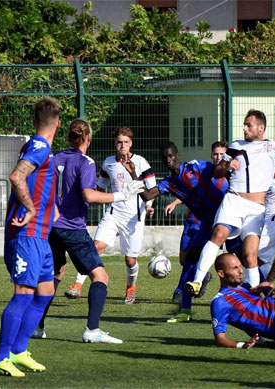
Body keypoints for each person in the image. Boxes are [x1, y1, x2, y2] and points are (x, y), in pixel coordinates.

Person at [186, 109, 275, 294]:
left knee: (251, 256)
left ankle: (254, 296)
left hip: (256, 209)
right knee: (219, 234)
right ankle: (197, 281)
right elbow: (217, 172)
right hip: (234, 200)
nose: (244, 128)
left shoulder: (274, 146)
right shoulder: (236, 146)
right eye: (244, 124)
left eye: (249, 125)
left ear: (261, 128)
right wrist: (227, 166)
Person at [44, 118, 144, 344]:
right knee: (101, 276)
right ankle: (92, 329)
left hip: (52, 227)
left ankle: (38, 325)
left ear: (69, 137)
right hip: (72, 228)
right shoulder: (86, 162)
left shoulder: (54, 157)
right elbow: (89, 195)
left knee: (56, 273)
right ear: (88, 138)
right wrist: (122, 195)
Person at [0, 97, 62, 377]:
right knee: (23, 294)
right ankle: (1, 357)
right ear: (57, 123)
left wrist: (49, 207)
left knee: (46, 292)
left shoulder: (42, 148)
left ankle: (19, 351)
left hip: (40, 237)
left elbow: (35, 182)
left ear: (35, 122)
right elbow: (17, 177)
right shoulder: (40, 146)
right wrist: (32, 209)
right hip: (26, 235)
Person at [65, 127, 156, 304]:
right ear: (115, 143)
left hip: (134, 218)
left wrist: (150, 205)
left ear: (131, 143)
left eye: (126, 142)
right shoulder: (109, 163)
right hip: (113, 213)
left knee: (130, 260)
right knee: (95, 247)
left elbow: (152, 190)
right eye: (120, 142)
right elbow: (101, 186)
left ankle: (131, 288)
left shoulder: (141, 163)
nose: (123, 146)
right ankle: (77, 285)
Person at [139, 141, 228, 322]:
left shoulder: (195, 167)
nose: (168, 160)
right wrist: (134, 179)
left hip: (226, 217)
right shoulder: (169, 183)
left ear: (177, 155)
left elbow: (218, 172)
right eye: (165, 158)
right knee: (188, 261)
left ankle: (262, 297)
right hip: (205, 223)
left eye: (171, 156)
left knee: (246, 259)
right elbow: (148, 195)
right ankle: (185, 310)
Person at [167, 140, 227, 304]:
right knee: (183, 260)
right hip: (192, 220)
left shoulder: (226, 180)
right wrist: (175, 202)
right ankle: (204, 276)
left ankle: (181, 292)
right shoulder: (205, 170)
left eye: (222, 154)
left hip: (213, 224)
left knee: (195, 258)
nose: (218, 157)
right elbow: (189, 190)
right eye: (215, 154)